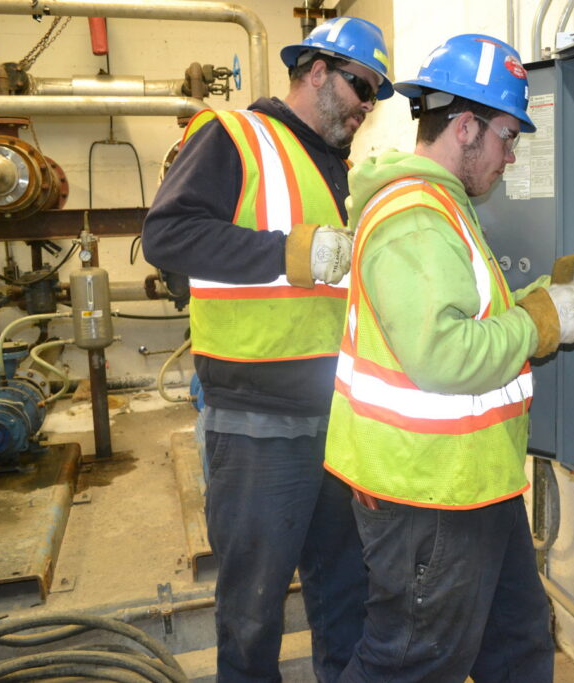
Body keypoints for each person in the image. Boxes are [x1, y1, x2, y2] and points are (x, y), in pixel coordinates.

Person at [323, 34, 574, 682]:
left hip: (473, 484)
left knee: (517, 645)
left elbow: (476, 315)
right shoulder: (416, 216)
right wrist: (547, 321)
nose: (511, 157)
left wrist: (559, 289)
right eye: (507, 137)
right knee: (409, 663)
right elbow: (444, 355)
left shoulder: (443, 209)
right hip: (428, 497)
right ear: (465, 126)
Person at [141, 17, 393, 683]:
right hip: (255, 425)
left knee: (346, 595)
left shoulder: (340, 170)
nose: (369, 106)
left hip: (335, 424)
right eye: (363, 87)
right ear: (317, 72)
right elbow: (167, 234)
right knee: (253, 615)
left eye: (375, 95)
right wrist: (288, 253)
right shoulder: (235, 138)